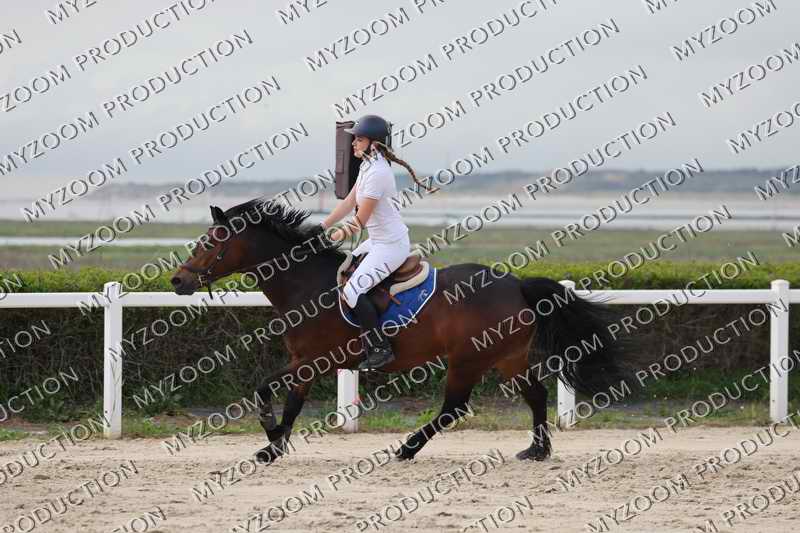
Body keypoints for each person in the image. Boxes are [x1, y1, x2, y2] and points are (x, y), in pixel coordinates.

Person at [320, 114, 419, 370]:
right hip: (377, 242)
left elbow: (359, 221)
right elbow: (348, 202)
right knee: (341, 268)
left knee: (353, 291)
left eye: (359, 139)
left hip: (391, 246)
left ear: (374, 144)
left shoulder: (378, 173)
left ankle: (379, 349)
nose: (353, 143)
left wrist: (333, 236)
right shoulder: (366, 166)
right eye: (354, 139)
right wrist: (321, 227)